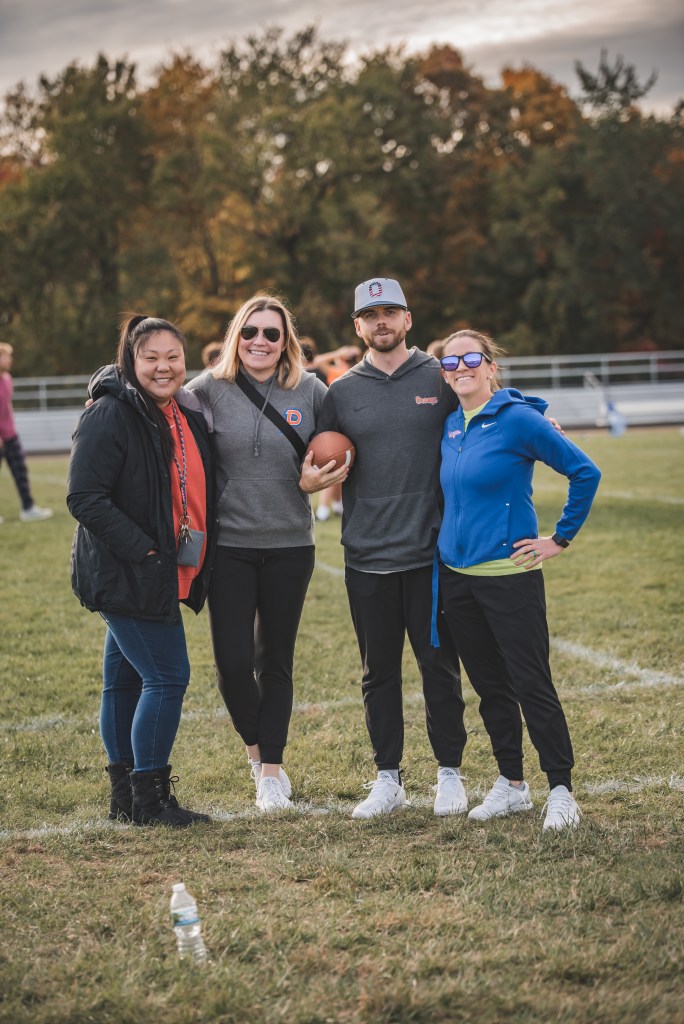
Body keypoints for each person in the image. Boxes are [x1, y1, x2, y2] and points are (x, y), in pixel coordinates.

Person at [311, 278, 468, 819]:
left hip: (430, 553)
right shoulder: (339, 393)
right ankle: (388, 778)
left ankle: (450, 773)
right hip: (367, 553)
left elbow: (487, 410)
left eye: (390, 312)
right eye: (370, 314)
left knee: (439, 666)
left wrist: (539, 418)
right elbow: (319, 461)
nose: (381, 322)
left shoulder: (440, 376)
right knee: (378, 672)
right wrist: (309, 481)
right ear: (357, 326)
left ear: (407, 319)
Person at [433, 329, 601, 831]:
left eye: (470, 358)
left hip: (511, 577)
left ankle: (561, 790)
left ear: (490, 365)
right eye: (450, 362)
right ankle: (512, 783)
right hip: (458, 579)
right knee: (490, 688)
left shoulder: (519, 420)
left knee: (532, 683)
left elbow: (585, 472)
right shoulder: (450, 424)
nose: (460, 368)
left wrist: (559, 538)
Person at [186, 295, 345, 813]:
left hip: (290, 545)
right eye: (250, 331)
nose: (260, 341)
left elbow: (343, 449)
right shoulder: (206, 389)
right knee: (232, 665)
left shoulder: (312, 390)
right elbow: (158, 413)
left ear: (285, 341)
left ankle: (271, 772)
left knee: (274, 661)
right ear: (237, 336)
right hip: (229, 546)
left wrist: (316, 481)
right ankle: (256, 753)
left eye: (272, 333)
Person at [66, 315, 216, 828]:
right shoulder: (111, 412)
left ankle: (125, 800)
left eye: (173, 356)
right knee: (168, 677)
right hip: (131, 571)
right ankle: (150, 800)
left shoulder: (177, 410)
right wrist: (147, 553)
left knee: (124, 680)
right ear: (131, 360)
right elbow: (84, 497)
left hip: (154, 570)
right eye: (151, 357)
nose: (163, 367)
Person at [0, 342, 53, 523]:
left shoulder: (7, 379)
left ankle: (28, 508)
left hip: (10, 434)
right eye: (6, 357)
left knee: (20, 471)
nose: (9, 360)